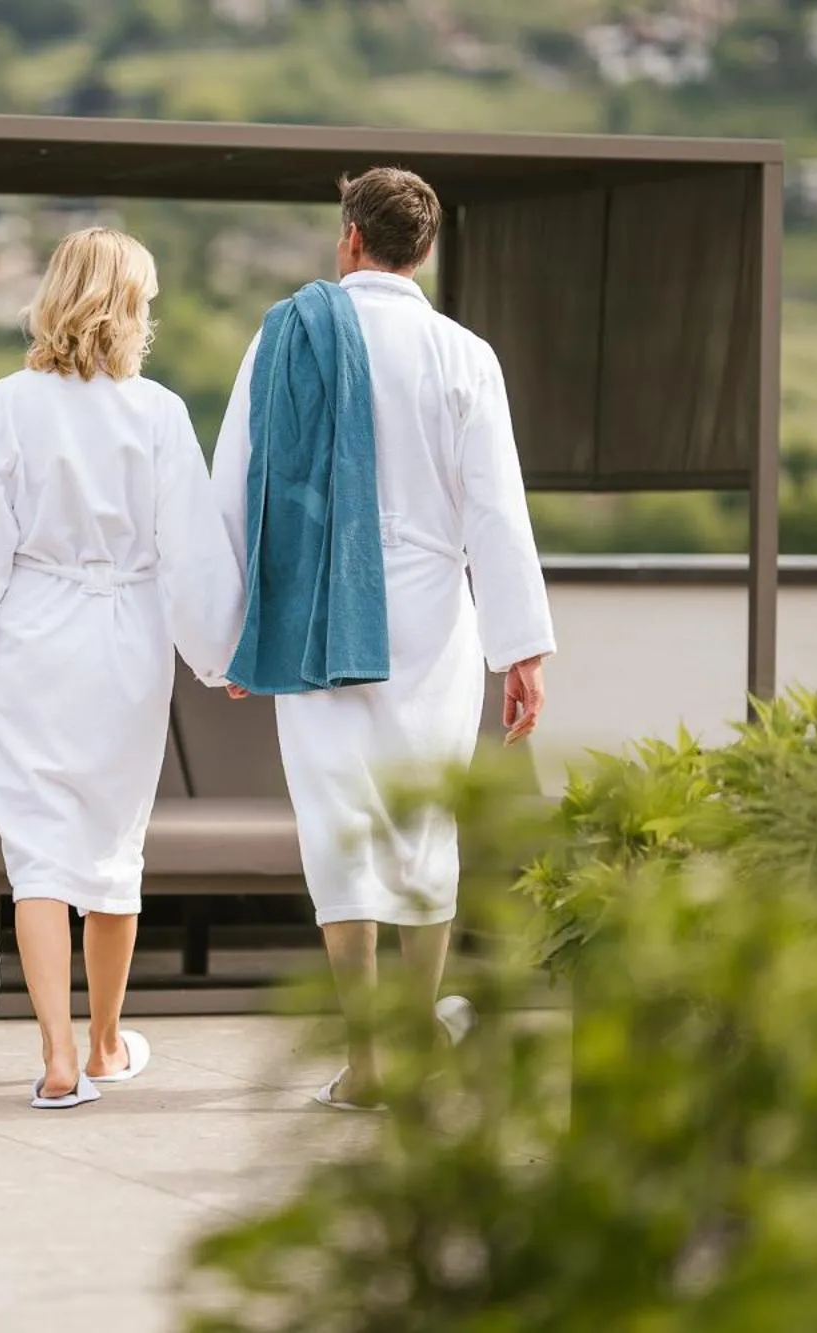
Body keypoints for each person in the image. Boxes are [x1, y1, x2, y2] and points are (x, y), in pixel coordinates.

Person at [211, 168, 555, 1110]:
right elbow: (497, 511)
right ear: (425, 251)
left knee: (338, 825)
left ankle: (365, 1063)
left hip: (317, 609)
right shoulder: (463, 355)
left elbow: (234, 485)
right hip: (434, 616)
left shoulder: (284, 336)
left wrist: (235, 629)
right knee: (422, 826)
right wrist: (519, 651)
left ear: (351, 239)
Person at [0, 227, 242, 1110]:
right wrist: (221, 657)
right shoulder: (159, 413)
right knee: (112, 848)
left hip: (33, 635)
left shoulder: (6, 406)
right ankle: (109, 1044)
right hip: (126, 646)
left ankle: (58, 1057)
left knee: (38, 857)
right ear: (130, 307)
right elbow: (190, 556)